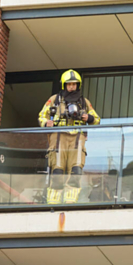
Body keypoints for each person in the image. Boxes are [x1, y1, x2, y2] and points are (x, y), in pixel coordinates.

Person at [38, 70, 101, 204]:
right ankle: (54, 200)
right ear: (64, 85)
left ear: (78, 85)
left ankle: (70, 199)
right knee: (57, 169)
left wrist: (88, 117)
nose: (72, 87)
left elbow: (97, 119)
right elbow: (41, 115)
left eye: (74, 84)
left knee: (76, 169)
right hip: (58, 136)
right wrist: (46, 123)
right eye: (69, 84)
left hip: (77, 137)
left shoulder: (84, 102)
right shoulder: (55, 99)